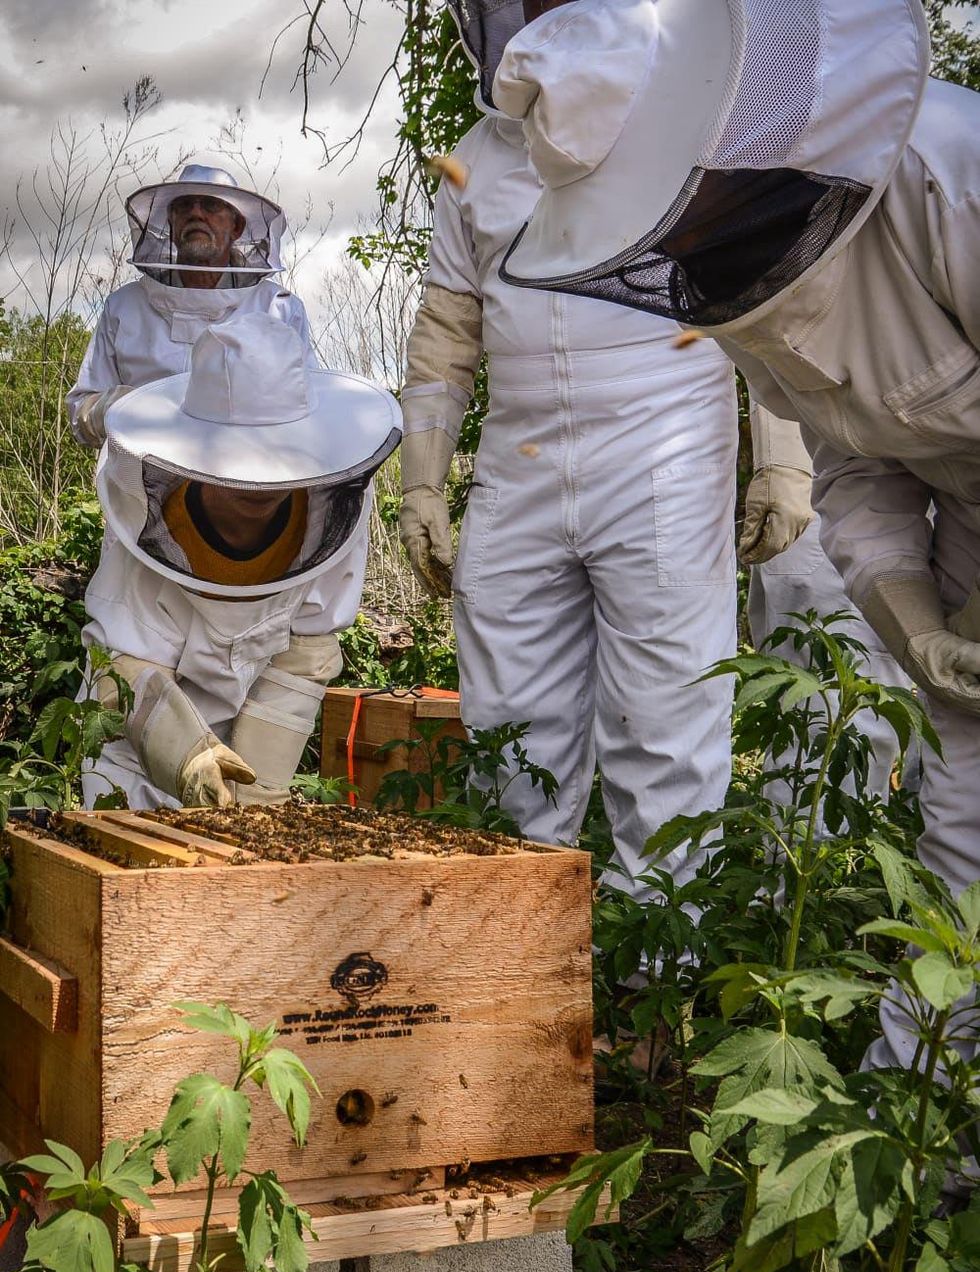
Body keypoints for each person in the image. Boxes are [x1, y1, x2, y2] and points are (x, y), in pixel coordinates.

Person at [492, 0, 980, 1119]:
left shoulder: (948, 179)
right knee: (960, 820)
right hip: (958, 515)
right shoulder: (737, 266)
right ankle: (916, 1141)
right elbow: (856, 463)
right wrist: (914, 622)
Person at [400, 0, 740, 903]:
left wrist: (781, 455)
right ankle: (523, 968)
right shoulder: (473, 154)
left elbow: (755, 287)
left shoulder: (694, 123)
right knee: (509, 717)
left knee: (665, 722)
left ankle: (655, 998)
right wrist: (421, 483)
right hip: (520, 453)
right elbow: (447, 326)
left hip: (665, 440)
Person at [81, 313, 401, 809]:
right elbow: (120, 671)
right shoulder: (141, 522)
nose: (259, 482)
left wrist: (260, 797)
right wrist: (186, 756)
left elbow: (304, 658)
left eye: (278, 455)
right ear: (194, 449)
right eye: (239, 458)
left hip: (252, 730)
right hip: (134, 759)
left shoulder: (329, 517)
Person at [67, 163, 316, 450]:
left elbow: (308, 402)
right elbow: (81, 409)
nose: (196, 213)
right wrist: (119, 407)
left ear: (236, 227)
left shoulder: (279, 309)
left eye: (210, 206)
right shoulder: (124, 307)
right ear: (171, 225)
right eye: (184, 206)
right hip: (139, 478)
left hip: (247, 476)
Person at [744, 404, 910, 803]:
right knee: (831, 723)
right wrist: (783, 460)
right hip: (839, 476)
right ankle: (823, 862)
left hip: (878, 475)